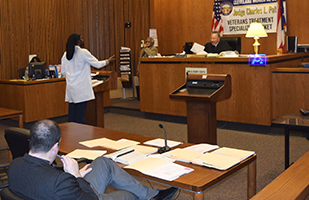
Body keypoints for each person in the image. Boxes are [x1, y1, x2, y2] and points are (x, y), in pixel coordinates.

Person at [8, 119, 178, 200]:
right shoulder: (60, 182)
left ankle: (152, 195)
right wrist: (76, 177)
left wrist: (70, 175)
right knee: (128, 196)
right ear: (55, 146)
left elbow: (42, 176)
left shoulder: (14, 165)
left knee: (103, 163)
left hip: (61, 192)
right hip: (82, 195)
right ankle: (147, 196)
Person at [61, 33, 115, 124]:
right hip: (81, 89)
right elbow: (97, 64)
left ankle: (71, 135)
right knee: (80, 116)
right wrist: (107, 61)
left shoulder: (65, 54)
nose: (83, 39)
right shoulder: (83, 52)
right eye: (81, 38)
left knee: (72, 115)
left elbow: (63, 72)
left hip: (71, 89)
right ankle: (81, 136)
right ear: (78, 41)